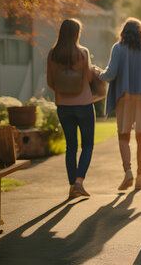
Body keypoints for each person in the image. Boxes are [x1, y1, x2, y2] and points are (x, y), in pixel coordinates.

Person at [100, 17, 141, 191]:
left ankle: (128, 172)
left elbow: (111, 73)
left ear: (124, 33)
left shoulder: (118, 48)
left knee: (123, 136)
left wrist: (97, 74)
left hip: (124, 98)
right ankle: (140, 178)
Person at [47, 18, 95, 198]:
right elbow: (89, 78)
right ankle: (79, 182)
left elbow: (50, 82)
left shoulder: (52, 54)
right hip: (83, 104)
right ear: (77, 34)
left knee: (71, 147)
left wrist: (63, 92)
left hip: (63, 106)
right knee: (88, 145)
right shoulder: (83, 53)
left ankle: (71, 187)